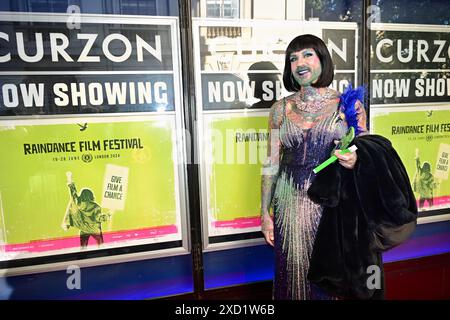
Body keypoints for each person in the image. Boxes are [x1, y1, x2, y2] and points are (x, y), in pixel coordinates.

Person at [260, 34, 368, 300]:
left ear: (322, 59)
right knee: (293, 271)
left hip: (331, 204)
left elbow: (366, 151)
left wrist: (354, 158)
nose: (300, 63)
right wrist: (264, 213)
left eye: (307, 54)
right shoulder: (280, 110)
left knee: (330, 272)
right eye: (293, 58)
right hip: (289, 203)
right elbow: (271, 163)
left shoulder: (348, 105)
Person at [61, 171, 109, 248]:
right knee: (101, 246)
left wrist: (69, 178)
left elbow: (73, 193)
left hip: (83, 230)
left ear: (82, 195)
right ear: (91, 195)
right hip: (95, 230)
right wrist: (107, 216)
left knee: (83, 248)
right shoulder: (96, 206)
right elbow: (98, 218)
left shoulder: (78, 203)